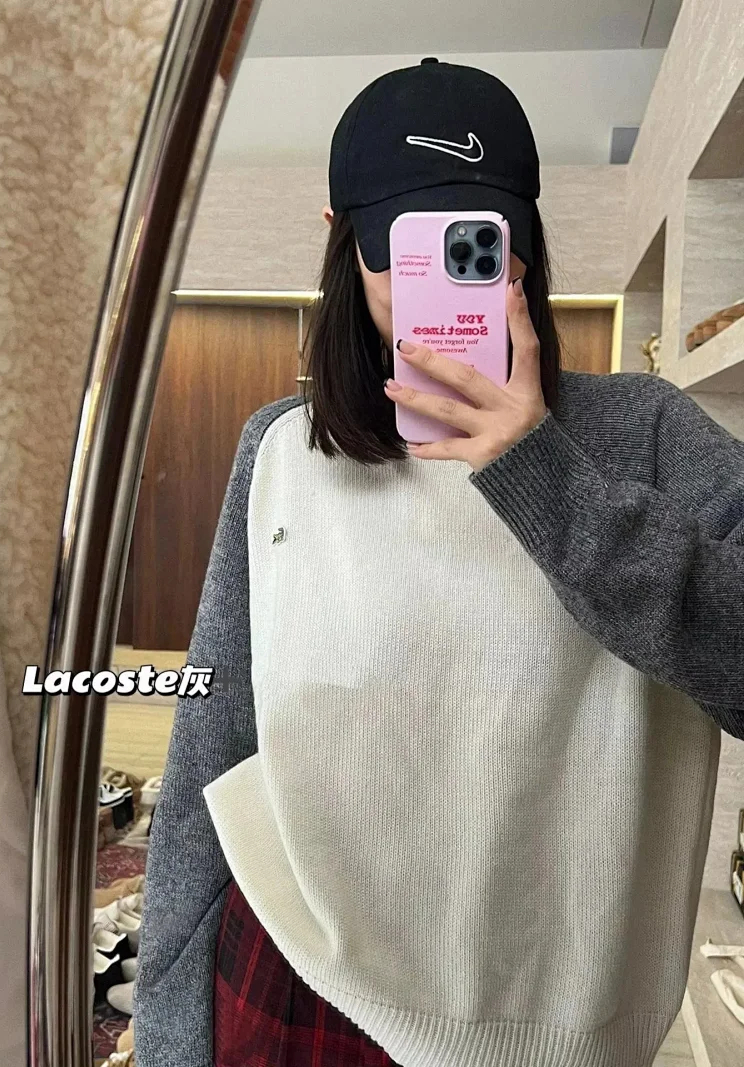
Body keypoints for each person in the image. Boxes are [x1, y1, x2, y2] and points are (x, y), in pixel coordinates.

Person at [134, 60, 744, 1067]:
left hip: (553, 1021)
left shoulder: (644, 433)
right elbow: (214, 739)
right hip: (294, 978)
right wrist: (167, 1020)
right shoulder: (281, 450)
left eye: (479, 241)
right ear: (343, 240)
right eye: (407, 247)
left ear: (526, 244)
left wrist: (539, 472)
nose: (448, 279)